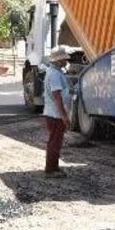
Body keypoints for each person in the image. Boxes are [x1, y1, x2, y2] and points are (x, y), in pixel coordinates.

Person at [42, 46, 71, 178]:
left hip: (54, 113)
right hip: (55, 114)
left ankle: (54, 167)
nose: (66, 61)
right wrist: (64, 116)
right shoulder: (54, 74)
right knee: (55, 142)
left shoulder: (56, 72)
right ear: (58, 60)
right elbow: (56, 96)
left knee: (56, 141)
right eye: (64, 59)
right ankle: (51, 170)